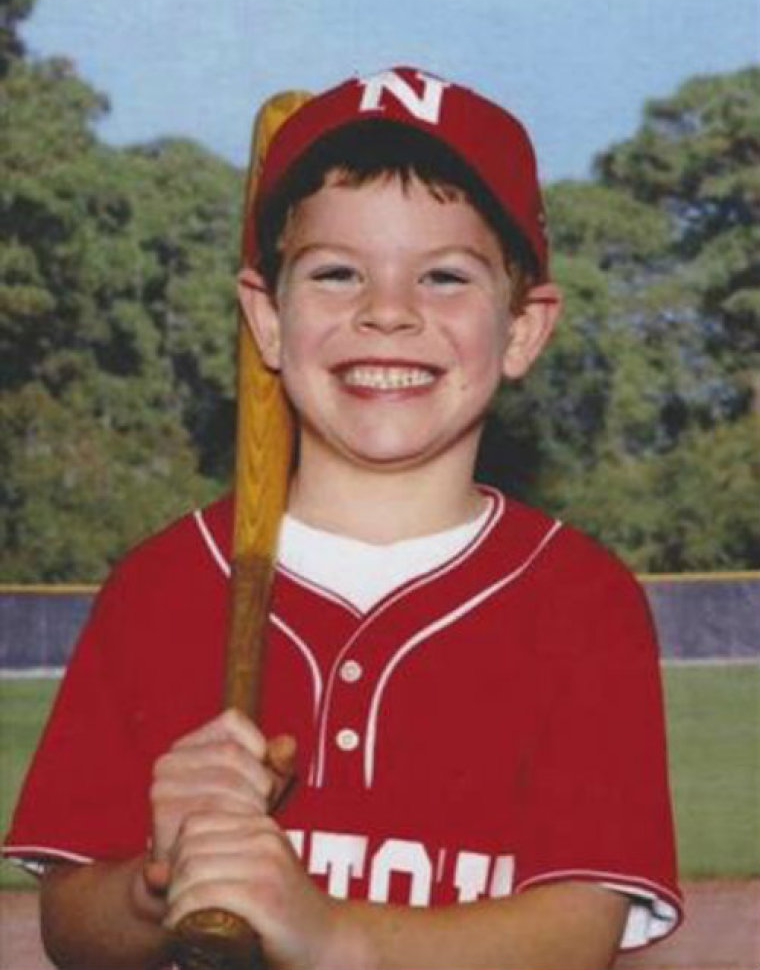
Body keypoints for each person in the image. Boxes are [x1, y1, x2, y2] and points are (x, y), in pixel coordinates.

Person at [4, 66, 682, 969]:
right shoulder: (159, 584)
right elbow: (72, 928)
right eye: (335, 272)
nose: (388, 312)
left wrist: (332, 936)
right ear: (267, 318)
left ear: (522, 328)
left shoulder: (580, 601)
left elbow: (575, 932)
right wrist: (155, 881)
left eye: (444, 275)